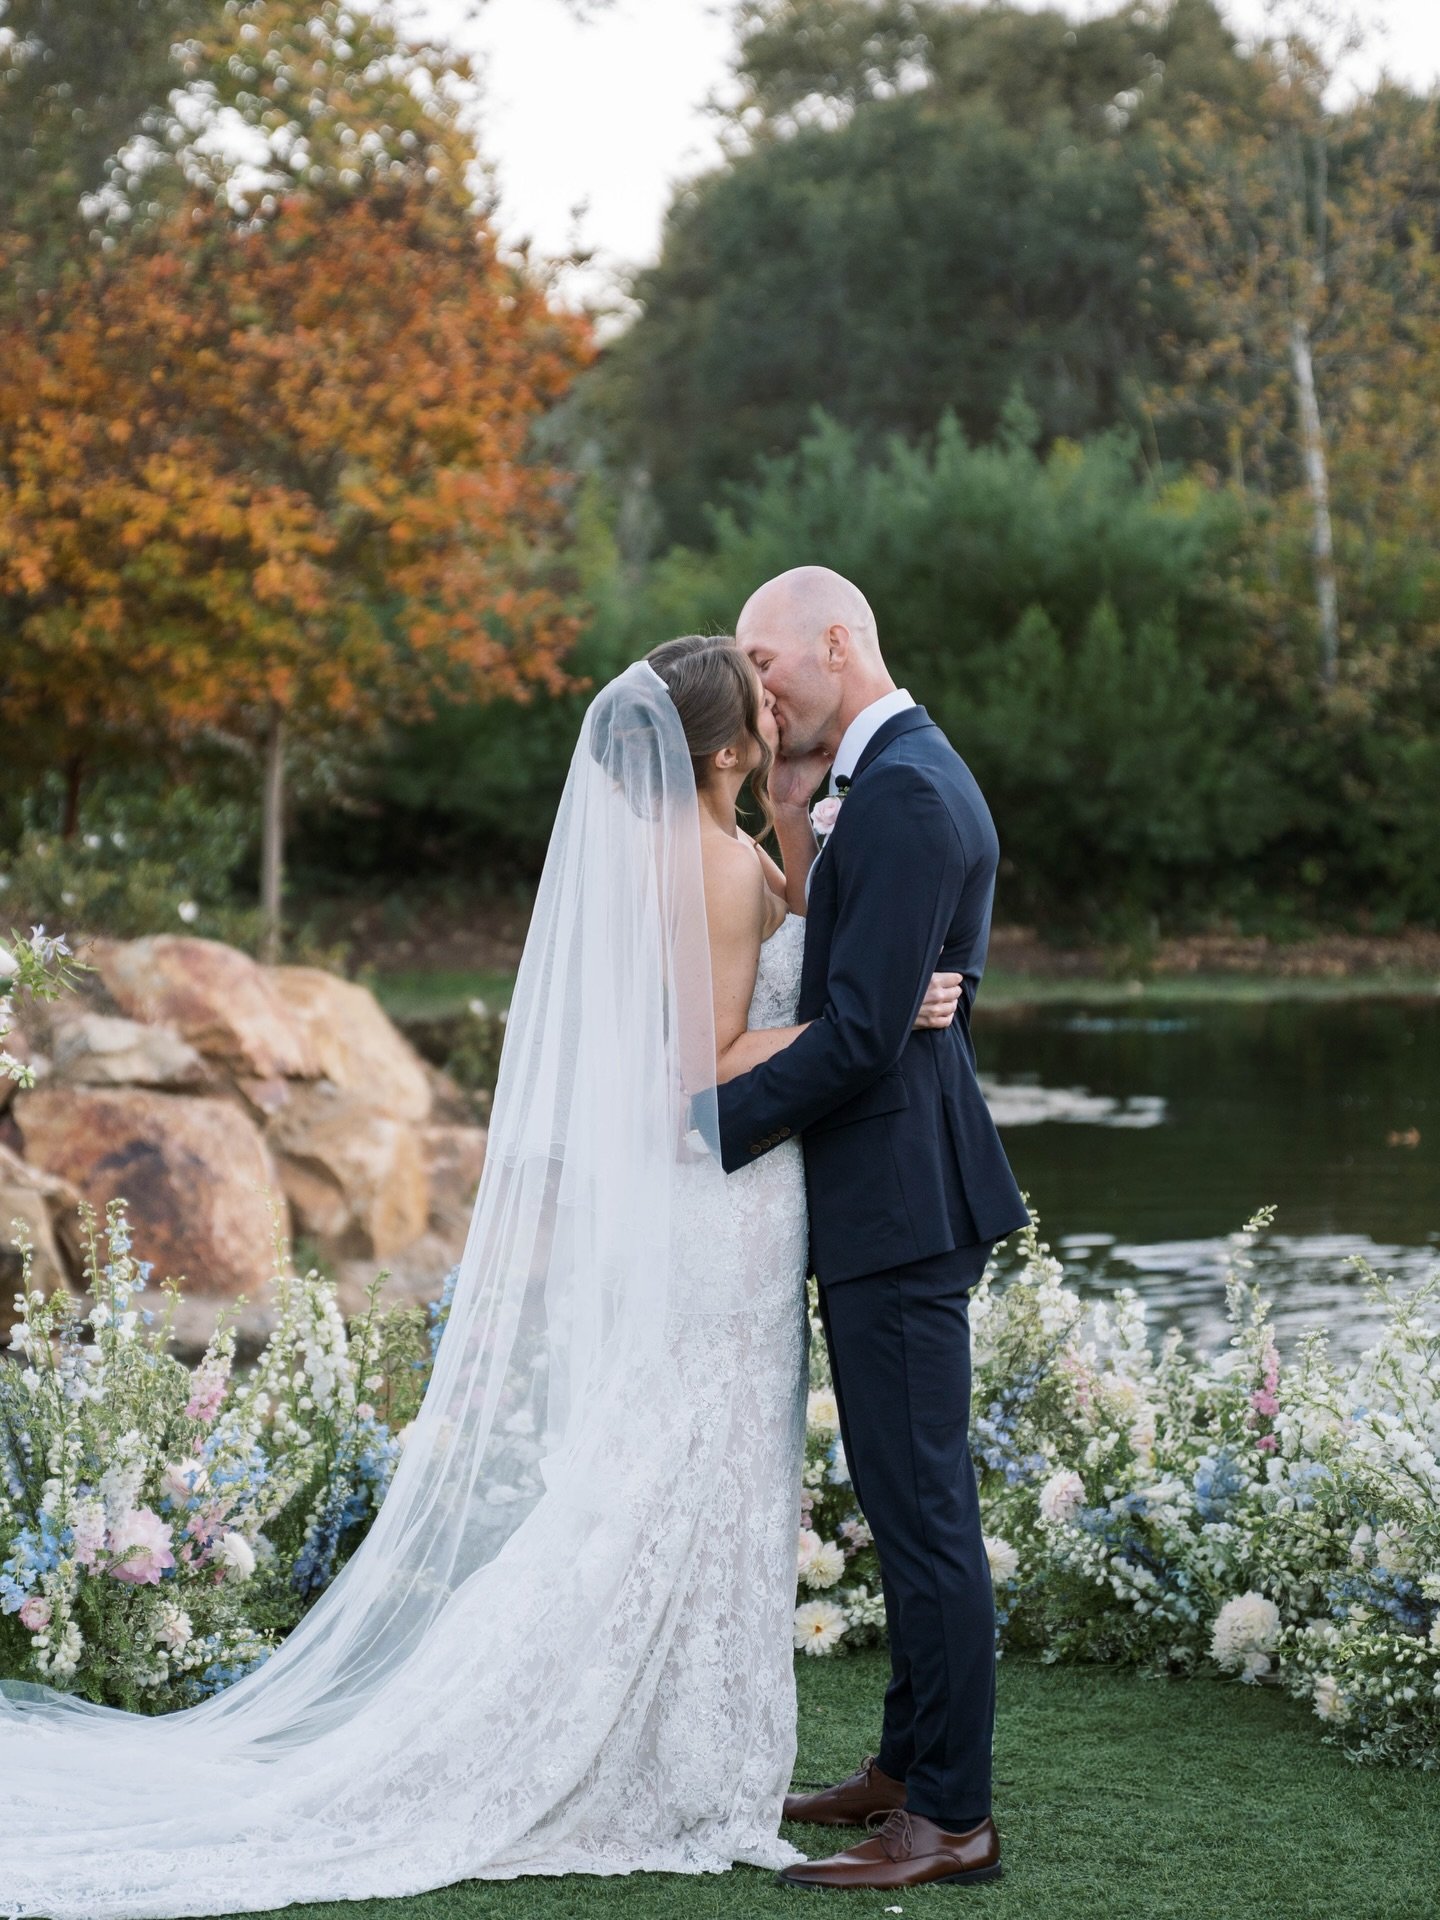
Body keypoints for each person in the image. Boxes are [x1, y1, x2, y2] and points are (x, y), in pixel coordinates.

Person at [0, 637, 961, 1918]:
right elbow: (706, 1061)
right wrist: (875, 1018)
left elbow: (771, 930)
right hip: (727, 1201)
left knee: (705, 1461)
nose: (785, 714)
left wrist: (792, 825)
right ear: (726, 749)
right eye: (765, 706)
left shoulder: (710, 853)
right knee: (693, 1461)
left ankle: (698, 1741)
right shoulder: (707, 872)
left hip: (737, 1200)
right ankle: (664, 1752)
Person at [719, 566, 1030, 1894]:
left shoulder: (903, 790)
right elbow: (911, 985)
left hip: (898, 1204)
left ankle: (949, 1814)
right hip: (899, 1188)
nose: (757, 688)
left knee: (924, 1517)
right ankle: (905, 1764)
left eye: (767, 660)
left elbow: (857, 1038)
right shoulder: (904, 770)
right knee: (912, 1506)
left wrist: (699, 1124)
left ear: (839, 641)